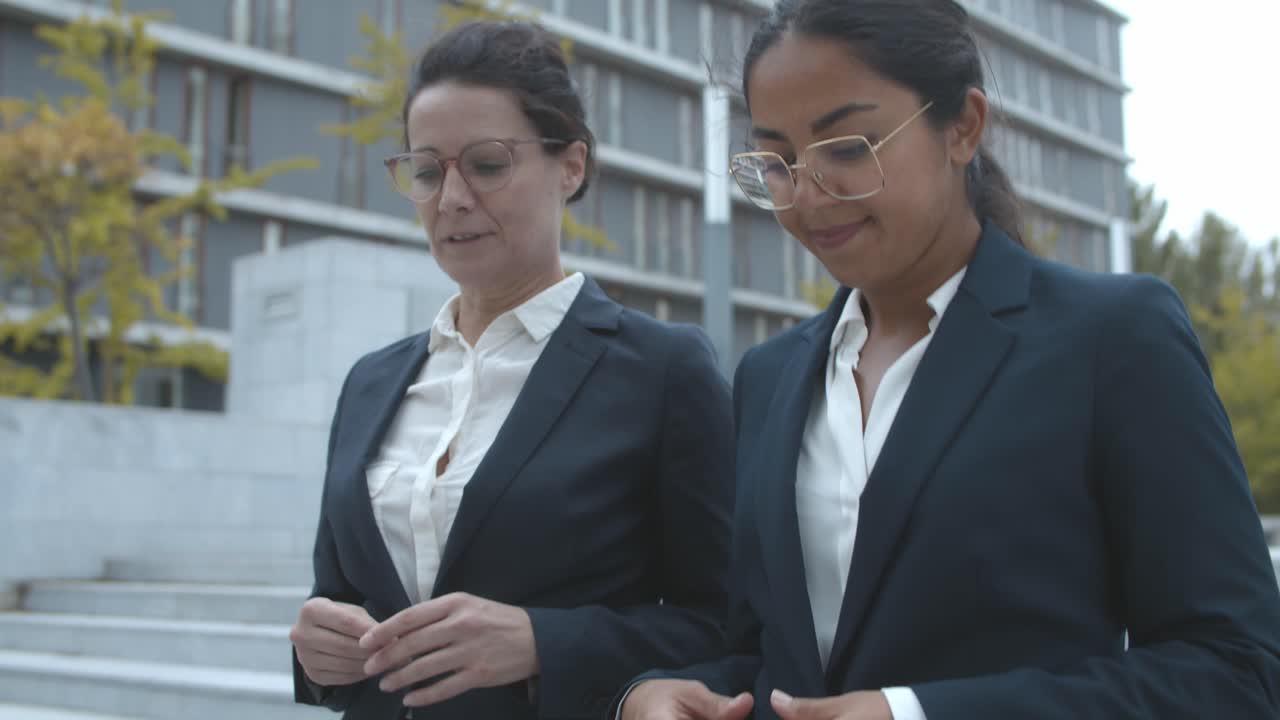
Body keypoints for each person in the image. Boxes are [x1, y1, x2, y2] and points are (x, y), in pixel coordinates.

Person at [618, 1, 1280, 718]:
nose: (806, 196)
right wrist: (654, 695)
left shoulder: (1114, 341)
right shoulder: (768, 377)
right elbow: (773, 658)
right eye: (776, 162)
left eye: (847, 148)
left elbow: (1236, 672)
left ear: (963, 126)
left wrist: (914, 713)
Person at [287, 20, 735, 720]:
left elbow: (725, 621)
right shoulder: (371, 382)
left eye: (488, 164)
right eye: (429, 171)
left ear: (572, 166)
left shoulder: (663, 371)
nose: (452, 198)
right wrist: (316, 651)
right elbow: (339, 596)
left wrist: (541, 642)